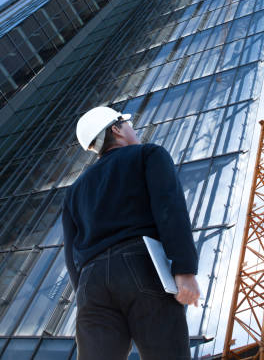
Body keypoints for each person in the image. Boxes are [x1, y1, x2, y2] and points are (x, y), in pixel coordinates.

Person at [62, 106, 200, 360]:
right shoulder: (148, 154)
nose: (132, 129)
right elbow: (169, 208)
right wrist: (184, 269)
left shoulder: (74, 191)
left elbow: (71, 253)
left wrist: (84, 295)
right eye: (127, 124)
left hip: (90, 284)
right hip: (141, 266)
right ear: (116, 129)